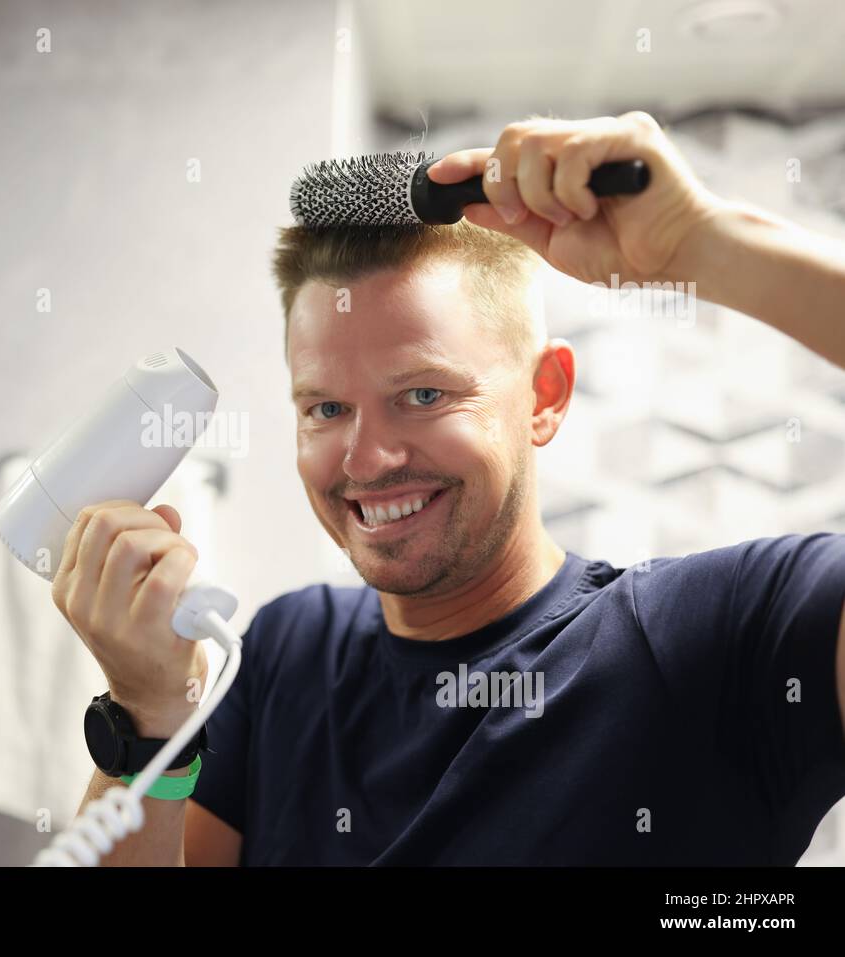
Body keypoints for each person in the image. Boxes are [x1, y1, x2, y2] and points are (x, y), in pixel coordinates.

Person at [53, 111, 845, 865]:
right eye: (327, 407)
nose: (366, 458)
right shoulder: (289, 650)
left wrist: (709, 248)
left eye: (423, 395)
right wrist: (148, 713)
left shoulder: (717, 638)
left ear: (544, 396)